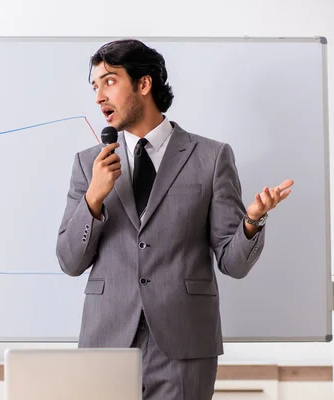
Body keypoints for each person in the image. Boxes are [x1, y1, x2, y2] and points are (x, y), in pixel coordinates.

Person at [55, 39, 294, 400]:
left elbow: (232, 263)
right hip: (107, 342)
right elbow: (70, 262)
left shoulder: (211, 158)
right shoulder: (87, 164)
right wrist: (93, 199)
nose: (98, 96)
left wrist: (252, 223)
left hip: (184, 344)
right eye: (95, 86)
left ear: (143, 84)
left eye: (109, 81)